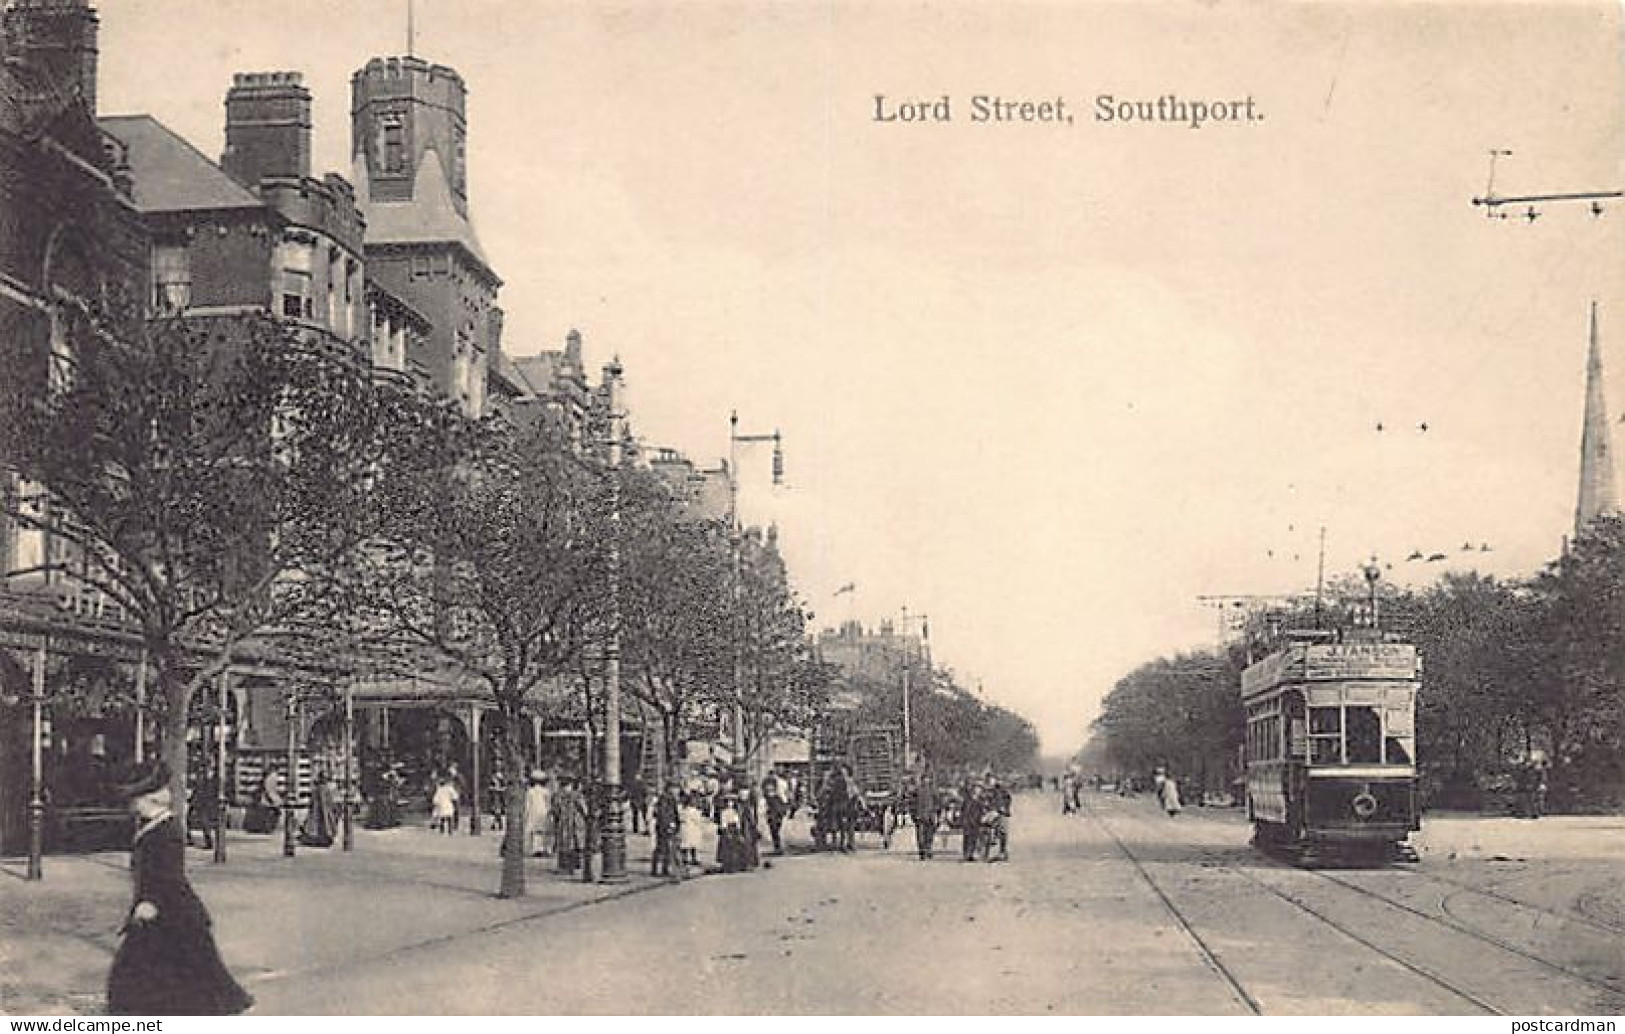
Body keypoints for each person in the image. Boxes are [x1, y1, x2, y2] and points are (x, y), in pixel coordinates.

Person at [105, 760, 254, 1016]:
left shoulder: (167, 830)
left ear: (148, 799)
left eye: (135, 799)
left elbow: (169, 874)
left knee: (181, 963)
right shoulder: (154, 827)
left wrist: (150, 902)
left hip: (170, 908)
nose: (132, 805)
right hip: (165, 907)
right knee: (183, 963)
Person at [553, 776, 587, 873]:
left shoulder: (557, 795)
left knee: (564, 842)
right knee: (575, 843)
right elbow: (583, 808)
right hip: (575, 821)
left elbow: (555, 810)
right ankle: (575, 864)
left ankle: (564, 865)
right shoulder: (576, 795)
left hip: (563, 821)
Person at [299, 769, 338, 848]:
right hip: (320, 810)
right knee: (322, 825)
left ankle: (319, 839)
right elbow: (323, 801)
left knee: (318, 825)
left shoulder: (320, 788)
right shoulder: (322, 788)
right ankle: (321, 839)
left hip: (319, 810)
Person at [652, 783, 682, 879]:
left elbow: (674, 813)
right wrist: (668, 826)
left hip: (669, 826)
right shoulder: (664, 798)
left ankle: (664, 868)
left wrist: (677, 824)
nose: (676, 790)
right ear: (669, 788)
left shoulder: (671, 798)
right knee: (661, 848)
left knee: (668, 849)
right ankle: (656, 869)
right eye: (675, 788)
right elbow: (663, 814)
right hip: (664, 827)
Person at [910, 767, 941, 860]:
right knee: (921, 835)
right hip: (920, 816)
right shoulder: (917, 790)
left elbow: (938, 802)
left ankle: (928, 850)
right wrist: (913, 814)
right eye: (925, 779)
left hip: (930, 815)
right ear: (922, 780)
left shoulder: (933, 790)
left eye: (928, 779)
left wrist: (937, 813)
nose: (926, 780)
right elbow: (912, 803)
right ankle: (922, 851)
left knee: (929, 834)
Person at [523, 769, 552, 856]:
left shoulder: (530, 791)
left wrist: (526, 813)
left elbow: (528, 804)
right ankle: (543, 848)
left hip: (533, 811)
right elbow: (548, 803)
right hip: (544, 811)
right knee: (542, 830)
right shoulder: (546, 791)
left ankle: (536, 849)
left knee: (534, 831)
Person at [761, 768, 790, 855]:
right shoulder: (778, 782)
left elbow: (783, 794)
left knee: (775, 826)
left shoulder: (776, 783)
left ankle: (778, 845)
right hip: (777, 806)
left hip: (777, 806)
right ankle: (777, 845)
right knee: (775, 826)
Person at [982, 775, 1011, 861]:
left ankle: (1002, 852)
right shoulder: (985, 791)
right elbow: (982, 801)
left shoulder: (1002, 791)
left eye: (992, 781)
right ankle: (985, 853)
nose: (991, 783)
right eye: (989, 781)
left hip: (1000, 813)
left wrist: (1005, 808)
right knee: (986, 831)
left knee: (1003, 831)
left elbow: (1008, 800)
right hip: (989, 812)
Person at [959, 776, 984, 862]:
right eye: (976, 789)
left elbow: (982, 811)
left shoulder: (980, 800)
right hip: (968, 821)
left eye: (979, 790)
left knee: (974, 838)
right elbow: (964, 810)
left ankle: (972, 854)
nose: (978, 791)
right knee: (967, 838)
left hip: (976, 822)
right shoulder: (968, 800)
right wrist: (963, 820)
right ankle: (966, 854)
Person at [679, 791, 705, 869]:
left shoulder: (683, 810)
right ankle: (693, 858)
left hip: (685, 828)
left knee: (686, 844)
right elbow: (698, 820)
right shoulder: (694, 811)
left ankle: (684, 858)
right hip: (692, 829)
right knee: (693, 844)